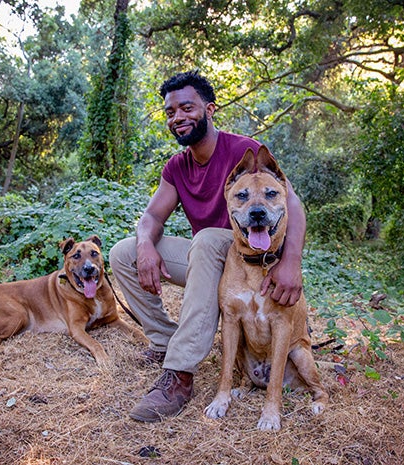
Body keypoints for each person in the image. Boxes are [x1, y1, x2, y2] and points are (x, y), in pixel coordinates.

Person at [109, 70, 307, 422]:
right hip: (211, 261)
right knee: (122, 253)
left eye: (187, 107)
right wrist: (144, 246)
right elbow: (152, 218)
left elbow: (292, 205)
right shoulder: (177, 166)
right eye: (170, 112)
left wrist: (291, 262)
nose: (178, 117)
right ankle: (163, 339)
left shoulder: (244, 151)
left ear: (210, 109)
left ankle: (180, 373)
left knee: (205, 240)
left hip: (244, 255)